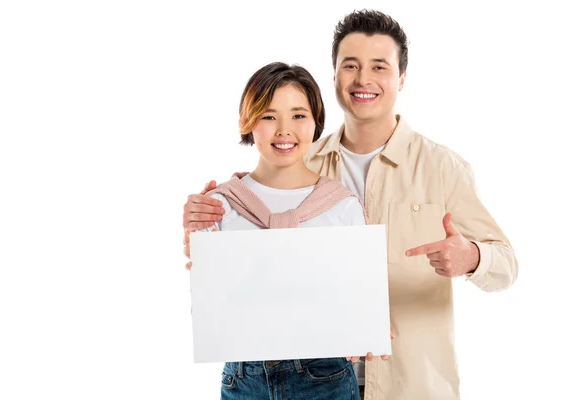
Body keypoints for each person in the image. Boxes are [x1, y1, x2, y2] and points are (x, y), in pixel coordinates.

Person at [183, 10, 518, 400]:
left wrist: (473, 258)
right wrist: (204, 226)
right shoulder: (300, 162)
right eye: (351, 66)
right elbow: (247, 254)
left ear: (401, 78)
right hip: (306, 375)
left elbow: (507, 265)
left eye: (379, 66)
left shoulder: (442, 167)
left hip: (409, 385)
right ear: (335, 77)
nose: (363, 79)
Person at [192, 61, 381, 400]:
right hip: (245, 377)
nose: (284, 130)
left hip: (324, 377)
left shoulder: (341, 206)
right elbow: (208, 309)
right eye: (268, 116)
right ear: (248, 122)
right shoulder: (221, 204)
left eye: (298, 115)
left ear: (315, 121)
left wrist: (364, 332)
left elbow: (357, 298)